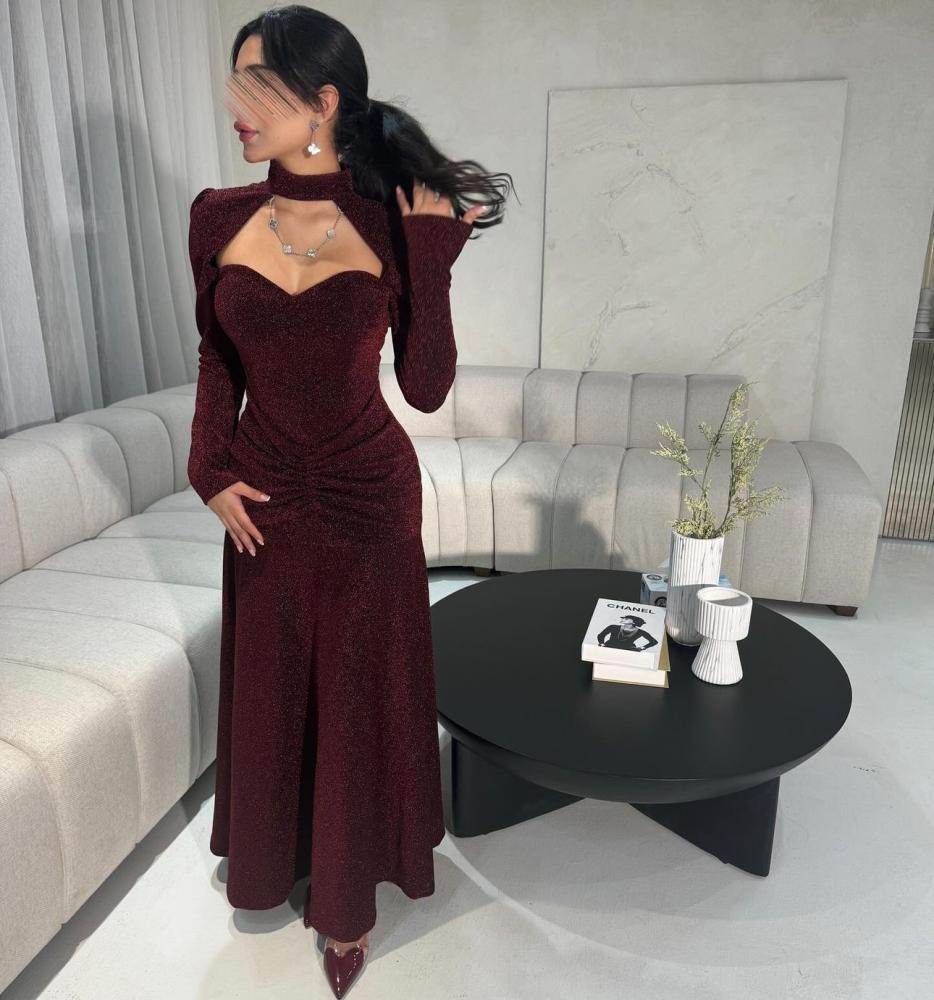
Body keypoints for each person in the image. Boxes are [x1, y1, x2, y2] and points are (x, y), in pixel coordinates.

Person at [186, 6, 510, 997]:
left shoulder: (387, 220)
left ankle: (346, 904)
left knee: (361, 696)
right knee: (277, 688)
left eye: (256, 85)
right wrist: (208, 470)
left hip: (369, 498)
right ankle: (278, 859)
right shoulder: (214, 216)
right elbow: (216, 358)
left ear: (323, 100)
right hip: (264, 500)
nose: (235, 106)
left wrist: (433, 254)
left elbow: (425, 386)